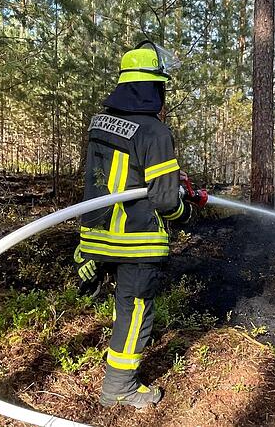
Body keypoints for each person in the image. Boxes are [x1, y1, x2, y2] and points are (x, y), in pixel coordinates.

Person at [73, 40, 206, 409]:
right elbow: (164, 201)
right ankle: (119, 388)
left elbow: (109, 179)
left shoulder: (100, 123)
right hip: (136, 239)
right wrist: (187, 214)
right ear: (153, 89)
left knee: (123, 305)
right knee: (135, 313)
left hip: (99, 233)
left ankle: (116, 366)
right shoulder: (155, 132)